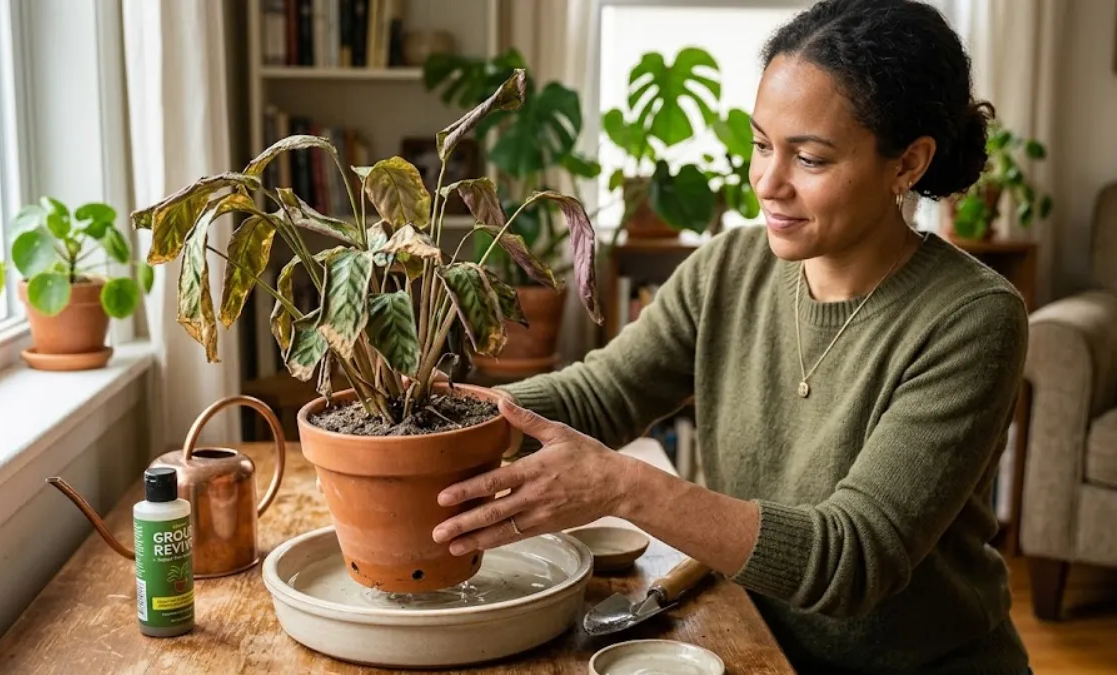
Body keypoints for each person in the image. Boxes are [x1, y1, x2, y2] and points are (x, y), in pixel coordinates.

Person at [431, 0, 1032, 673]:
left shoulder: (974, 317)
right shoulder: (730, 268)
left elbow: (853, 557)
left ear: (907, 163)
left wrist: (623, 487)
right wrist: (441, 413)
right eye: (760, 144)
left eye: (808, 158)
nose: (767, 183)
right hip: (753, 642)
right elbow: (603, 392)